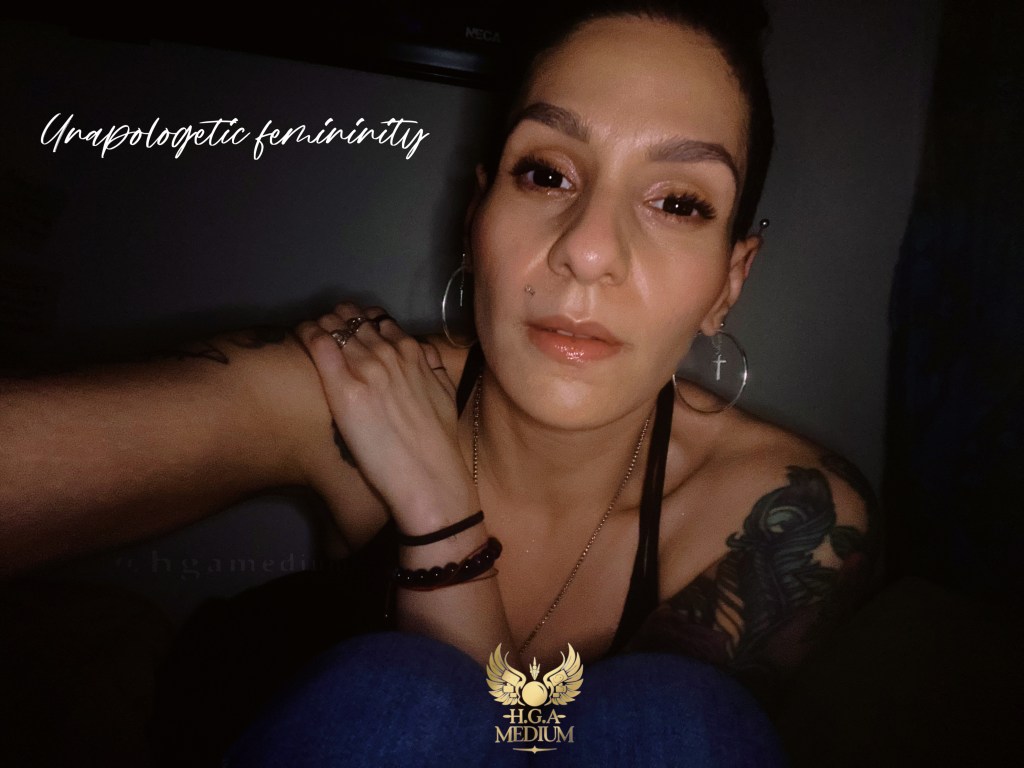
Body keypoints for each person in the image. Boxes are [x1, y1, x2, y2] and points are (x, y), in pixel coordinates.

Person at [1, 1, 879, 764]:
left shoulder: (789, 513)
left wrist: (440, 516)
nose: (588, 250)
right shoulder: (363, 386)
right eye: (547, 173)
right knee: (400, 697)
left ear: (729, 281)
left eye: (678, 202)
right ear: (477, 218)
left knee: (679, 717)